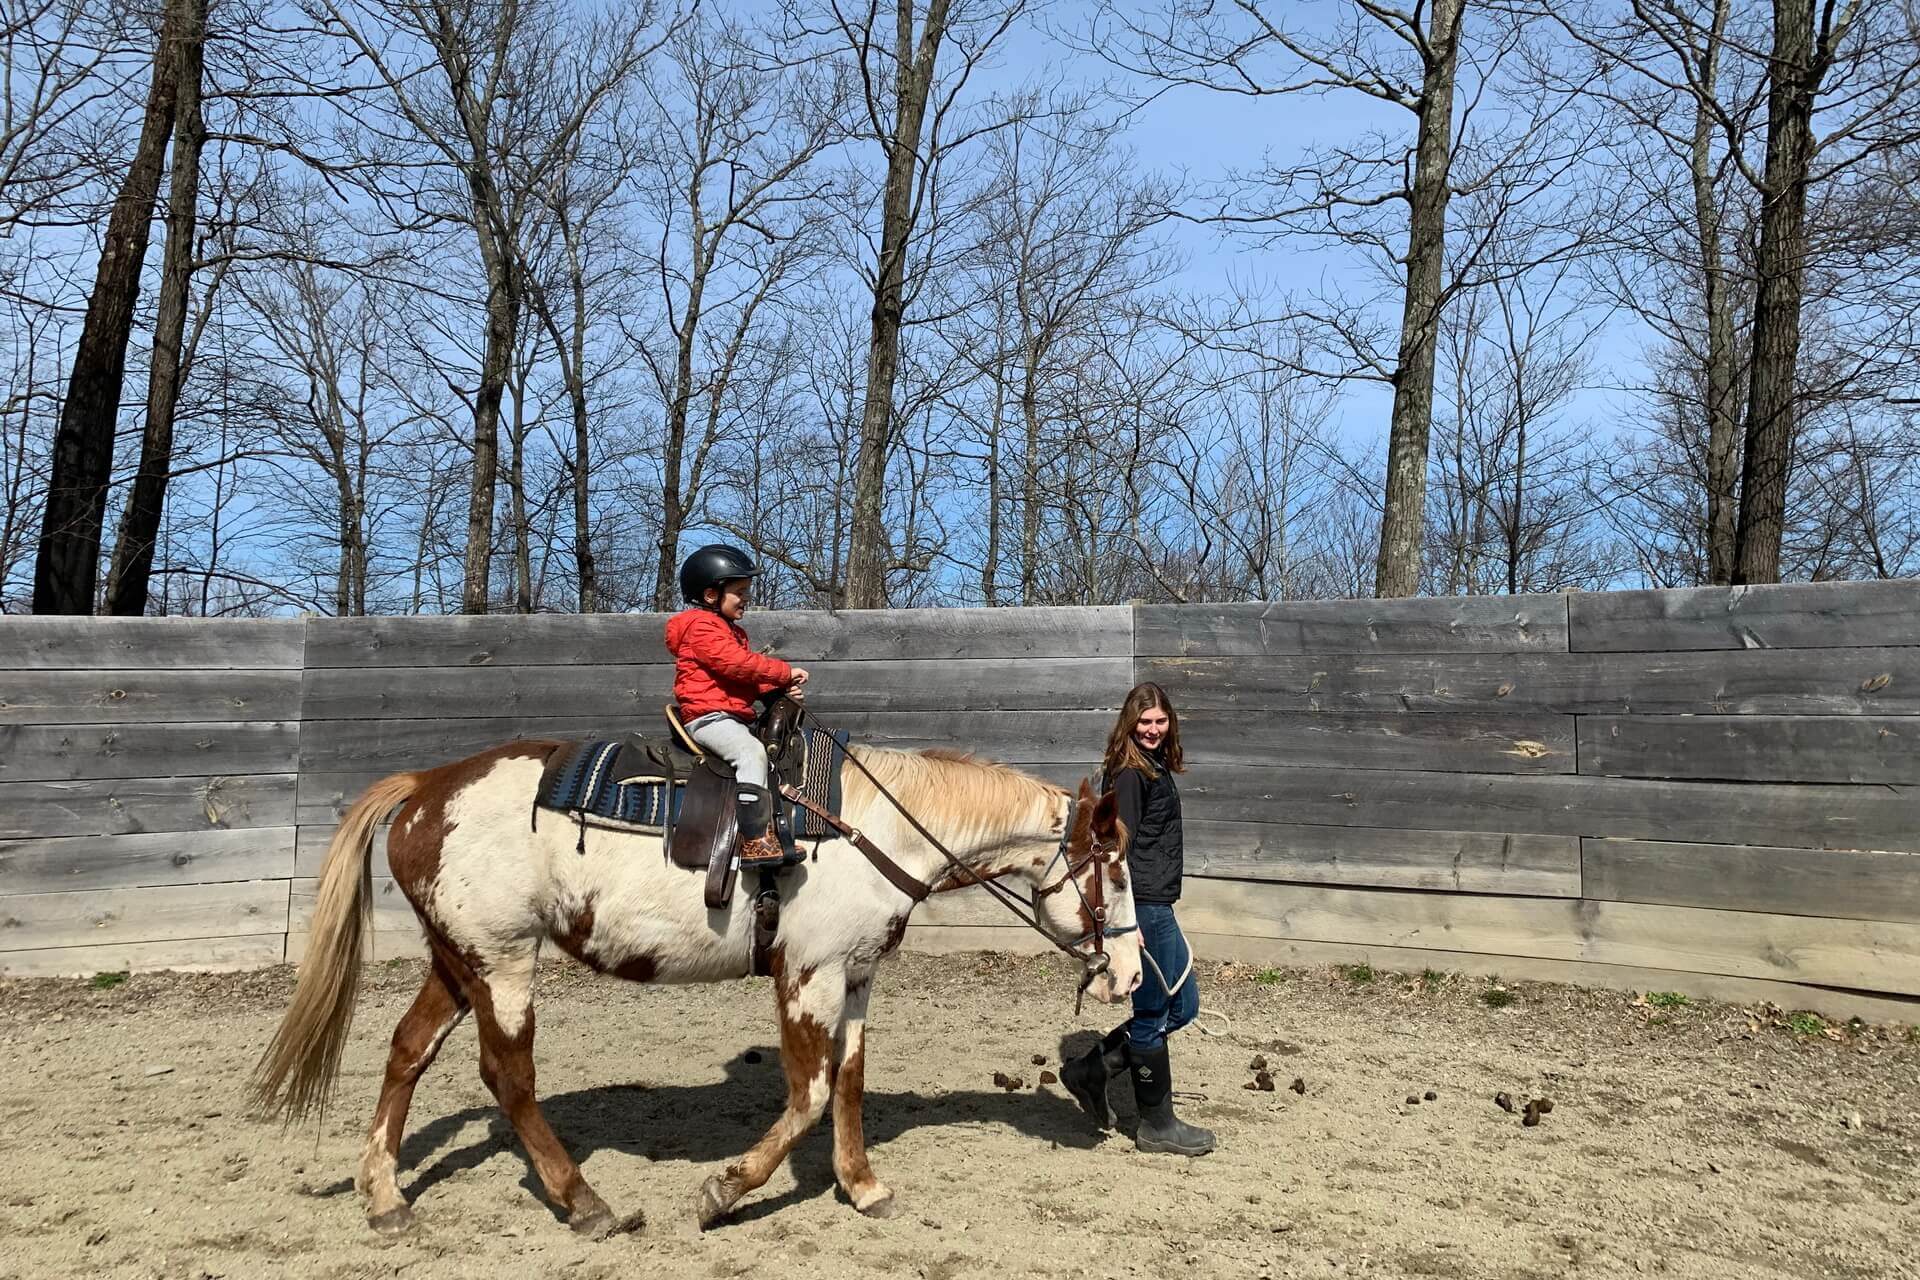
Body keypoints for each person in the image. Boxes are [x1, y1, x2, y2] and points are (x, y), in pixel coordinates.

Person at [1060, 681, 1215, 1156]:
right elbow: (1115, 852)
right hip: (1143, 907)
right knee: (1154, 1011)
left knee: (1182, 1005)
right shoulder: (1130, 775)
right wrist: (1133, 923)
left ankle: (1092, 1070)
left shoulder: (1153, 766)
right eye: (1144, 722)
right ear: (1130, 723)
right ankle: (1156, 1124)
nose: (1152, 729)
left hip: (1156, 902)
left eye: (1160, 721)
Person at [665, 544, 809, 867]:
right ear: (711, 595)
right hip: (708, 718)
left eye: (747, 591)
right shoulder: (701, 628)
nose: (746, 598)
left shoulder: (730, 631)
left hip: (728, 716)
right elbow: (736, 664)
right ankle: (755, 839)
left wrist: (778, 691)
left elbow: (746, 679)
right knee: (751, 752)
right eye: (739, 592)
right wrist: (784, 671)